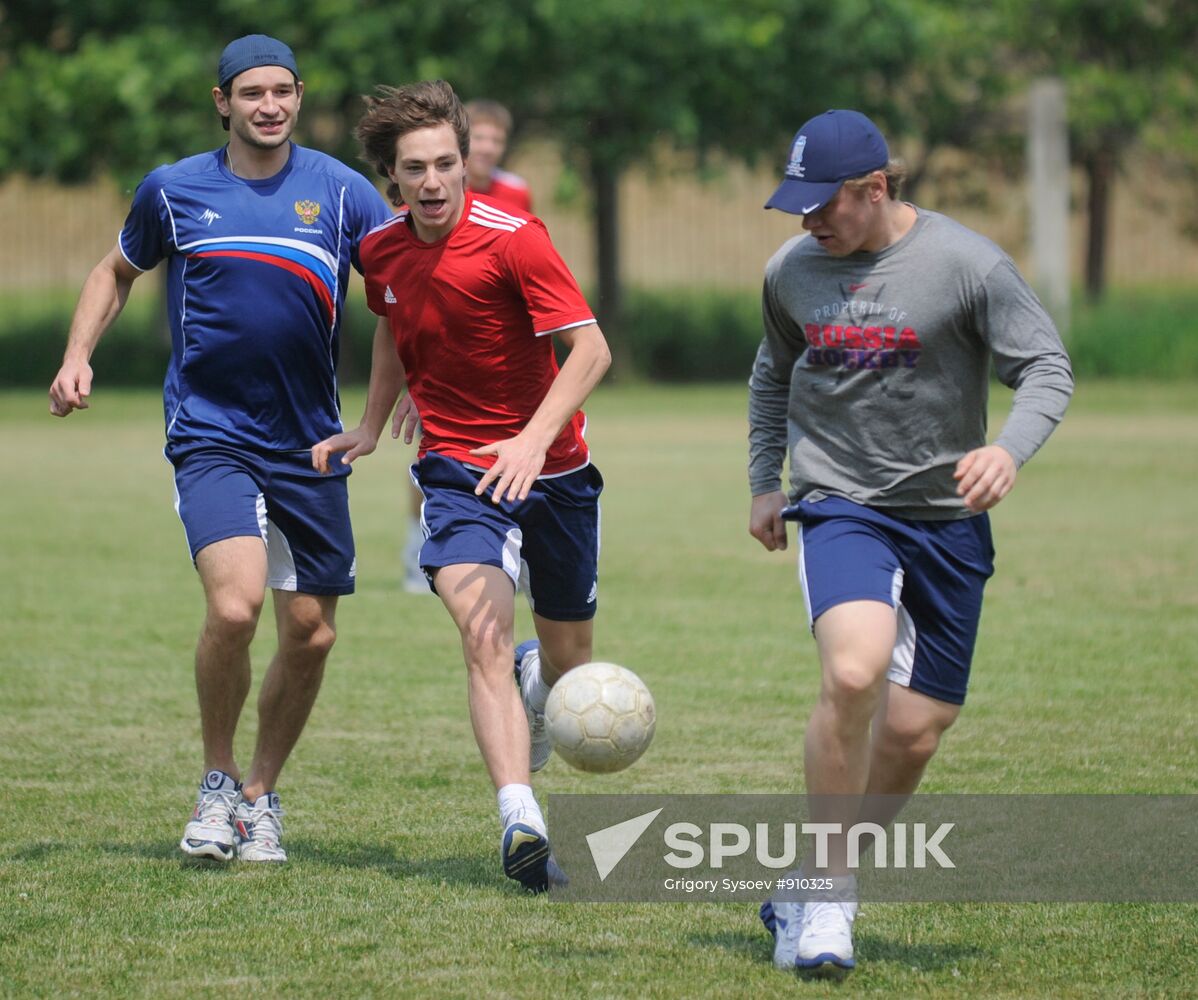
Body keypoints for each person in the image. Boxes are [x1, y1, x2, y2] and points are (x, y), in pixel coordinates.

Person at [48, 35, 392, 863]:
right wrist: (75, 355)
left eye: (282, 91)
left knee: (310, 633)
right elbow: (113, 272)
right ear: (223, 102)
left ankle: (259, 798)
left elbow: (401, 302)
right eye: (251, 93)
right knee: (236, 606)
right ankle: (214, 783)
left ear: (300, 97)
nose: (267, 105)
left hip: (313, 442)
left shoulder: (344, 195)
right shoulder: (174, 191)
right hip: (211, 433)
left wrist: (386, 413)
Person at [747, 110, 1073, 972]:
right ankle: (827, 903)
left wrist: (1007, 448)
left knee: (916, 731)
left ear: (876, 188)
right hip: (842, 503)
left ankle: (809, 884)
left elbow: (1045, 367)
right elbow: (773, 373)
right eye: (800, 204)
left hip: (947, 519)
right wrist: (764, 482)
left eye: (826, 204)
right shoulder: (792, 271)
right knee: (855, 670)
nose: (809, 220)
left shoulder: (966, 265)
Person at [312, 79, 610, 893]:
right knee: (479, 632)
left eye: (448, 162)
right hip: (454, 469)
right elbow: (391, 326)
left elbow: (590, 352)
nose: (436, 180)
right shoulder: (379, 252)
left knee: (567, 666)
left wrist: (531, 440)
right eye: (418, 168)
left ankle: (535, 680)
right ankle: (521, 817)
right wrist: (372, 425)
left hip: (557, 472)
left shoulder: (517, 239)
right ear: (392, 177)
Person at [399, 97, 534, 592]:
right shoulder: (421, 195)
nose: (489, 148)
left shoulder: (515, 194)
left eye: (498, 139)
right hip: (437, 354)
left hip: (498, 353)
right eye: (481, 138)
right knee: (434, 456)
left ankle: (516, 550)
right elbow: (409, 288)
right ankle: (421, 548)